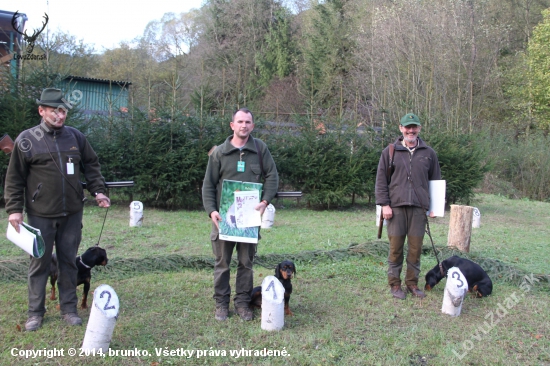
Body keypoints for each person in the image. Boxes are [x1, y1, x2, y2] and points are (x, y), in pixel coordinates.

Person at [4, 88, 110, 331]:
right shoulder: (27, 140)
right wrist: (14, 209)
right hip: (40, 215)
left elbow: (91, 164)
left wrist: (99, 191)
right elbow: (15, 178)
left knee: (68, 263)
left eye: (63, 111)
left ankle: (69, 309)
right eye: (54, 111)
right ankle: (35, 313)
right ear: (42, 111)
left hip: (72, 214)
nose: (60, 116)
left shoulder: (75, 137)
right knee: (39, 264)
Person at [202, 108, 278, 321]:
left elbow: (272, 176)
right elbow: (208, 185)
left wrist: (264, 202)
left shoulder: (260, 149)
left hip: (249, 221)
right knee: (222, 263)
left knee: (246, 263)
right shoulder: (219, 153)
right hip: (224, 221)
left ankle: (243, 303)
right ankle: (221, 304)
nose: (244, 125)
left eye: (248, 122)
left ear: (252, 126)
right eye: (240, 122)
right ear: (232, 125)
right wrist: (212, 211)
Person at [375, 113, 441, 300]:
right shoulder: (390, 152)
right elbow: (381, 181)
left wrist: (434, 208)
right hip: (395, 209)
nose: (411, 130)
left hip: (419, 210)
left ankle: (412, 284)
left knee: (415, 249)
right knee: (395, 249)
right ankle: (395, 285)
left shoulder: (429, 153)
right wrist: (385, 205)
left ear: (419, 128)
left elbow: (435, 181)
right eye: (407, 127)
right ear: (401, 128)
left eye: (414, 127)